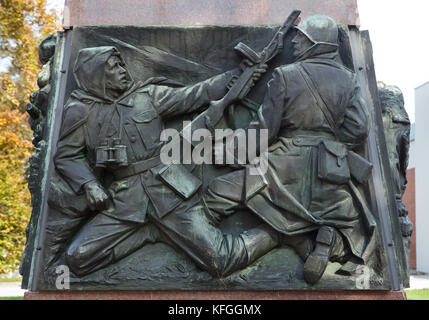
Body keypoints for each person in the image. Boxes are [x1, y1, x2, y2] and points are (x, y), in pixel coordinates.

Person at [54, 46, 278, 277]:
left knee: (219, 260)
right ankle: (149, 232)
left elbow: (197, 93)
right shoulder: (79, 111)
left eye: (121, 64)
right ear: (96, 75)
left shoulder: (146, 96)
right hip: (125, 201)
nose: (123, 70)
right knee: (78, 257)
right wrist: (88, 184)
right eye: (114, 67)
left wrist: (237, 75)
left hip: (169, 191)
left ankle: (279, 233)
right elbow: (66, 155)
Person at [203, 15, 376, 285]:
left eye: (301, 37)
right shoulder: (349, 80)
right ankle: (318, 242)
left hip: (282, 169)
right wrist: (328, 143)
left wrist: (225, 153)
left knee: (218, 192)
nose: (294, 41)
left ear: (315, 43)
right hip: (330, 175)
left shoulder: (286, 75)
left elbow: (263, 131)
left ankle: (208, 259)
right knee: (313, 218)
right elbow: (359, 129)